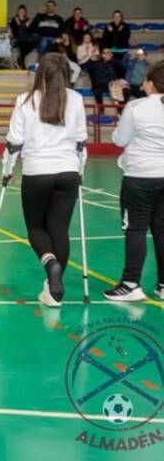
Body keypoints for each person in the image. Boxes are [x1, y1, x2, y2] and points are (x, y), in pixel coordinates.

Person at [5, 53, 87, 307]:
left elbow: (13, 143)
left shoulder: (25, 101)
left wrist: (6, 170)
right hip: (68, 171)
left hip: (37, 172)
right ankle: (54, 291)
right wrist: (80, 169)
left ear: (40, 73)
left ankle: (50, 263)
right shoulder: (76, 99)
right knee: (59, 229)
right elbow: (81, 140)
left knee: (36, 228)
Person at [104, 62, 164, 302]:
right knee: (162, 229)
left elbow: (120, 140)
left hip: (140, 176)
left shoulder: (136, 106)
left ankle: (130, 284)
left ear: (150, 84)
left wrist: (121, 121)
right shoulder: (137, 104)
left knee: (136, 228)